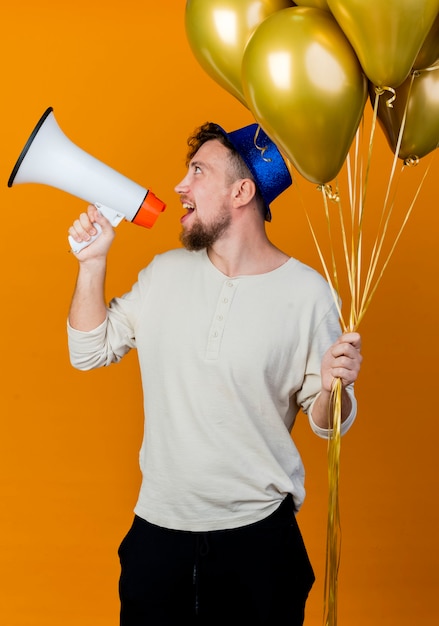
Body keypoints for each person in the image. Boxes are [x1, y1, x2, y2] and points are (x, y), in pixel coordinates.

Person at [67, 122, 362, 626]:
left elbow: (326, 419)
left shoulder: (309, 294)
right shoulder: (163, 274)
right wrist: (92, 264)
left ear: (242, 192)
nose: (181, 186)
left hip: (260, 544)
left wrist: (337, 385)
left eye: (198, 171)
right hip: (157, 540)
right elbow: (89, 351)